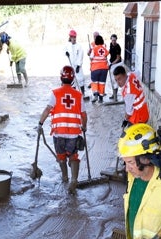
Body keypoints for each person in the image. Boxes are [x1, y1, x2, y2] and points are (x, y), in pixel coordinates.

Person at [37, 65, 88, 195]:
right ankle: (74, 180)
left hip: (59, 133)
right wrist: (84, 126)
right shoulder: (78, 95)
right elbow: (83, 115)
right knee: (73, 155)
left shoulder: (55, 93)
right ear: (72, 79)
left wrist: (40, 123)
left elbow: (48, 109)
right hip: (73, 134)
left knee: (61, 156)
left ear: (61, 77)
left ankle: (64, 178)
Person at [88, 34, 110, 103]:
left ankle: (95, 95)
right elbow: (106, 55)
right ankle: (101, 98)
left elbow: (91, 57)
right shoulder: (104, 49)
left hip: (95, 68)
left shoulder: (94, 49)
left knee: (95, 82)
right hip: (104, 69)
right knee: (102, 83)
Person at [64, 29, 86, 95]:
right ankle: (74, 94)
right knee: (72, 80)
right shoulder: (67, 45)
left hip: (77, 66)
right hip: (70, 66)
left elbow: (80, 55)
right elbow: (64, 51)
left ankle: (82, 93)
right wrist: (66, 53)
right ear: (70, 37)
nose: (74, 39)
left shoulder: (79, 46)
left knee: (80, 79)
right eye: (72, 37)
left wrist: (79, 65)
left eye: (75, 37)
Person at [108, 34, 123, 100]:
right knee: (112, 80)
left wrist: (111, 64)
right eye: (112, 40)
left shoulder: (118, 47)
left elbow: (118, 58)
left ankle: (115, 96)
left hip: (117, 64)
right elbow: (109, 52)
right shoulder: (111, 44)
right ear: (111, 39)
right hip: (112, 63)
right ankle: (114, 94)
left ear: (116, 40)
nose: (113, 42)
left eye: (114, 40)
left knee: (115, 79)